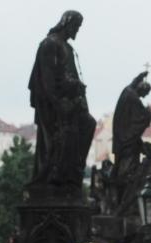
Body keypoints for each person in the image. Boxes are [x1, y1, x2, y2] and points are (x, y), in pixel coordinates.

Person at [28, 10, 96, 189]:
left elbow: (71, 75)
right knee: (65, 133)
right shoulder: (49, 44)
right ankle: (55, 175)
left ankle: (73, 171)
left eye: (79, 27)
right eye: (76, 26)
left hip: (69, 100)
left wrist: (77, 90)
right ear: (66, 23)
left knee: (89, 123)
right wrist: (63, 98)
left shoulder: (68, 48)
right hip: (52, 103)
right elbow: (47, 81)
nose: (77, 30)